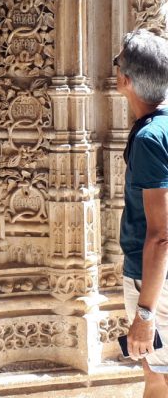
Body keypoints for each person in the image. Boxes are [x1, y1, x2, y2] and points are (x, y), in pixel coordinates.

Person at [116, 28, 168, 397]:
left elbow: (160, 236)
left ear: (126, 80)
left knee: (158, 377)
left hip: (154, 280)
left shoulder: (151, 138)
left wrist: (145, 316)